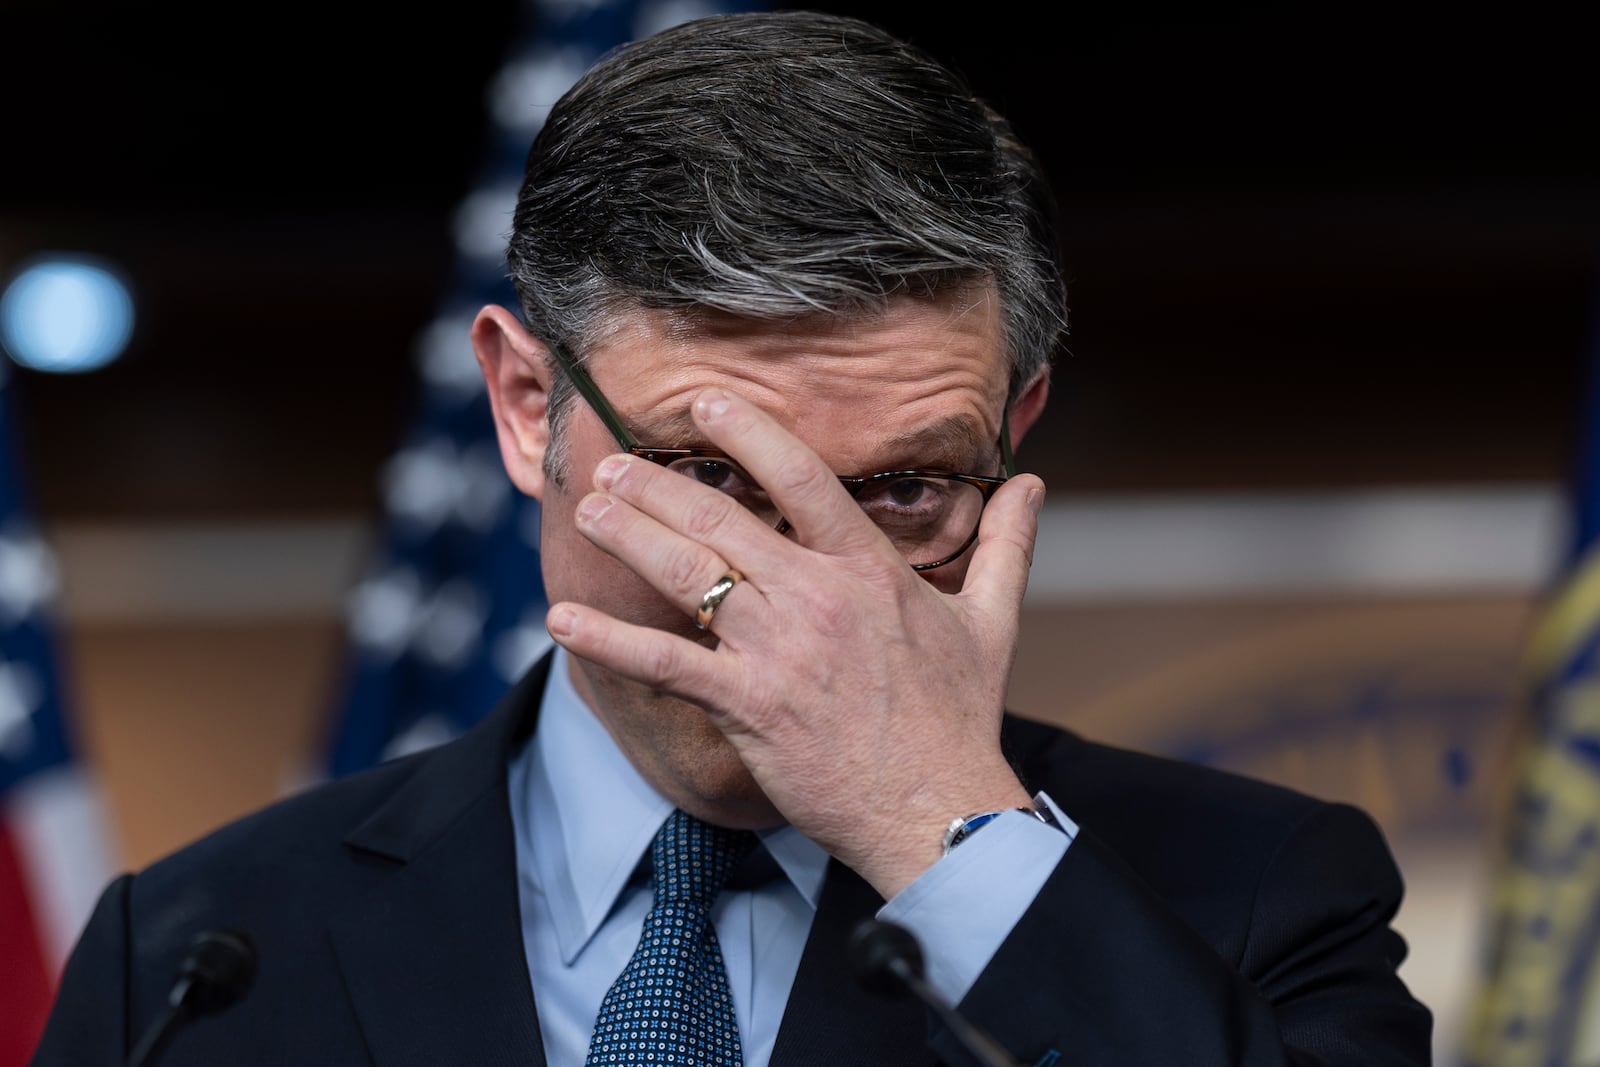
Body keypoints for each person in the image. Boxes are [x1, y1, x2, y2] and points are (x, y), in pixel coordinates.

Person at [32, 10, 1432, 1066]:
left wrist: (938, 827)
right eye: (702, 474)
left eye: (901, 494)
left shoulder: (1258, 896)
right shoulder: (196, 961)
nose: (794, 592)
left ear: (1016, 426)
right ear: (528, 407)